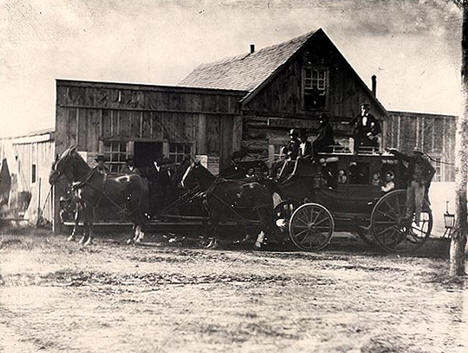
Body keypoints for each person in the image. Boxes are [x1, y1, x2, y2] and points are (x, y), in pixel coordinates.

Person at [387, 148, 435, 229]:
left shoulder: (425, 162)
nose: (415, 155)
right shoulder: (412, 160)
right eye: (414, 153)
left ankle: (417, 220)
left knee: (418, 202)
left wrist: (426, 180)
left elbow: (433, 170)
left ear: (420, 155)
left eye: (417, 154)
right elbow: (403, 156)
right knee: (409, 202)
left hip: (420, 184)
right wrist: (393, 152)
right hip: (411, 183)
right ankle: (408, 218)